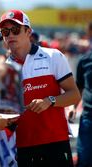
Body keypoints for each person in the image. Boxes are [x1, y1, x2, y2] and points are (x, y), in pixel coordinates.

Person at [0, 9, 81, 166]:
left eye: (15, 30)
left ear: (28, 31)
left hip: (55, 142)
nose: (10, 35)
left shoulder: (53, 56)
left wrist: (49, 101)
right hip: (23, 146)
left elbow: (74, 95)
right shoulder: (3, 69)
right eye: (5, 31)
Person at [76, 21, 92, 167]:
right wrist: (73, 108)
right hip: (88, 117)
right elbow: (78, 88)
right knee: (85, 160)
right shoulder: (85, 60)